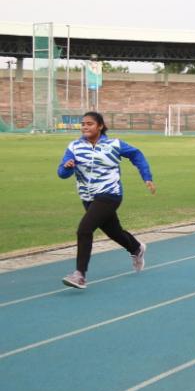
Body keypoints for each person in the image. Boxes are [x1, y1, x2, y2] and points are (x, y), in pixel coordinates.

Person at [57, 112, 155, 289]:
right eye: (83, 124)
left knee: (84, 230)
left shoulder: (114, 144)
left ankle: (79, 275)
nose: (85, 127)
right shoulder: (74, 147)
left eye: (90, 124)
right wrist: (67, 167)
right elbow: (62, 174)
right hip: (88, 197)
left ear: (100, 126)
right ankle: (136, 248)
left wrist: (146, 176)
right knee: (114, 231)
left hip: (110, 194)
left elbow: (137, 155)